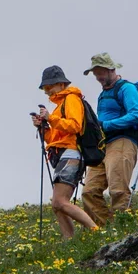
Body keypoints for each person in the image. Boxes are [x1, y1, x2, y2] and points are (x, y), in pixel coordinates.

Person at [32, 67, 99, 241]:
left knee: (60, 201)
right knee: (57, 205)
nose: (47, 92)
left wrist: (50, 119)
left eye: (50, 87)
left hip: (72, 154)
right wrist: (43, 127)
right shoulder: (59, 106)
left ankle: (95, 231)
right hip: (63, 154)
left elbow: (75, 125)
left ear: (61, 83)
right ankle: (69, 241)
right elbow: (54, 139)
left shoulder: (71, 99)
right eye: (45, 89)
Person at [79, 54, 138, 226]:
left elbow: (135, 116)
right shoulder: (103, 93)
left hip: (122, 141)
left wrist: (105, 125)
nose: (98, 77)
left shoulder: (126, 88)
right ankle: (106, 231)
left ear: (111, 69)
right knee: (89, 191)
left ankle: (125, 229)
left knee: (118, 189)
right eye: (96, 74)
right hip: (103, 146)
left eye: (100, 73)